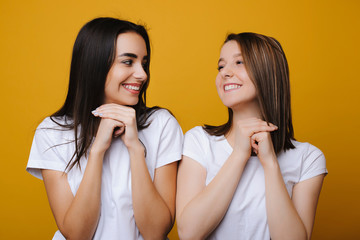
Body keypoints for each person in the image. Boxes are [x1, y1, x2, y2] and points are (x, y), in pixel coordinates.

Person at [26, 17, 183, 240]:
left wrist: (135, 148)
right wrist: (97, 150)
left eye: (144, 63)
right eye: (128, 62)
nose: (142, 74)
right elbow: (76, 234)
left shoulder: (161, 124)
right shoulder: (52, 132)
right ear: (95, 64)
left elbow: (155, 232)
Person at [176, 32, 327, 240]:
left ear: (268, 72)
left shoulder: (309, 158)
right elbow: (188, 233)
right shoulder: (198, 141)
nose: (225, 73)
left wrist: (271, 163)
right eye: (221, 66)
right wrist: (239, 154)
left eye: (239, 62)